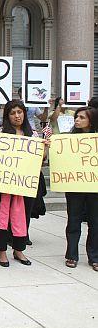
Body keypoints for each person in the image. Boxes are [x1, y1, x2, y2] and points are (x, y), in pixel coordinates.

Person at [0, 99, 49, 267]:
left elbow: (41, 161)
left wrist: (45, 148)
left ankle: (18, 249)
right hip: (5, 184)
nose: (17, 116)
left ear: (24, 113)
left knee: (23, 217)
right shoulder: (0, 132)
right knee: (2, 217)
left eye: (20, 112)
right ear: (7, 116)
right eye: (12, 113)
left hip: (26, 184)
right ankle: (2, 251)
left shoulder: (33, 135)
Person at [63, 106, 98, 271]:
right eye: (76, 117)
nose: (77, 120)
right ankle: (71, 254)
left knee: (95, 222)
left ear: (91, 119)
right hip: (74, 186)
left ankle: (94, 256)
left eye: (82, 117)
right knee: (73, 220)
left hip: (94, 187)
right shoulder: (68, 141)